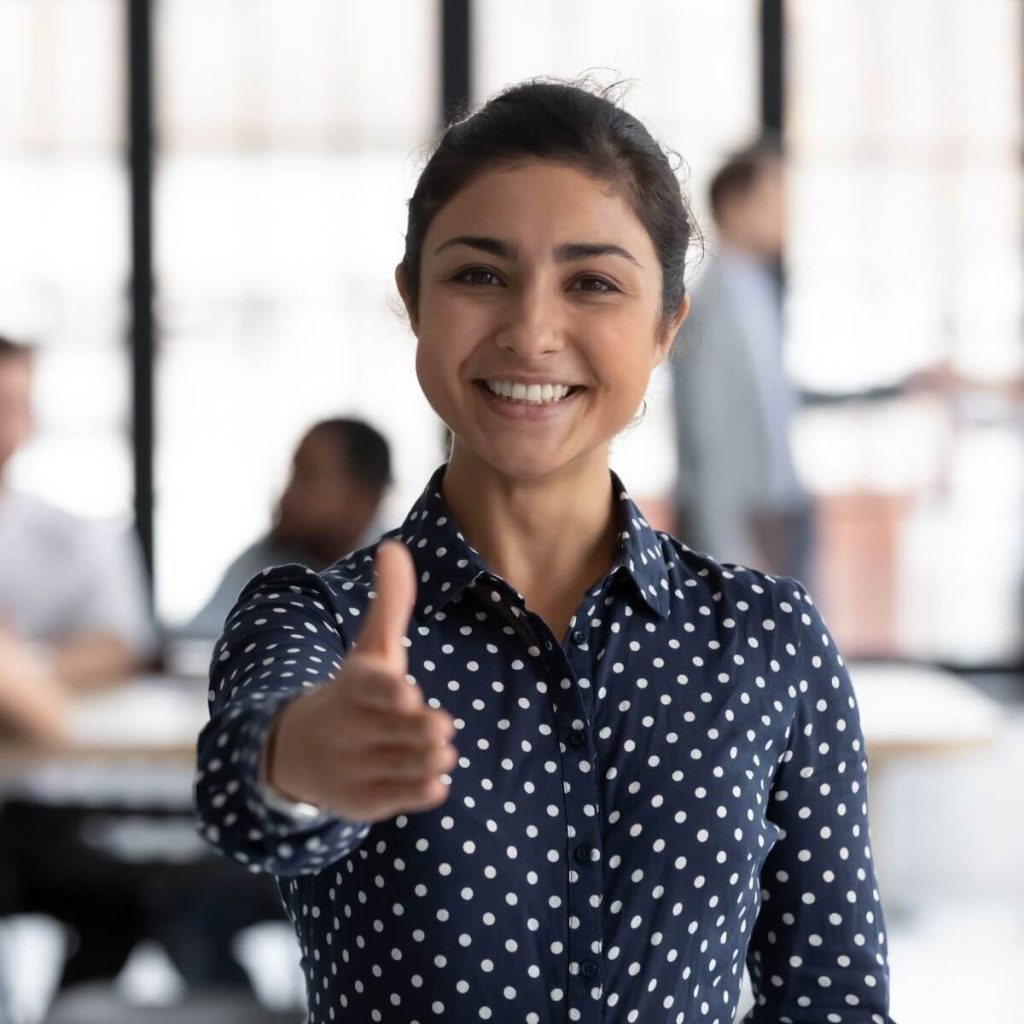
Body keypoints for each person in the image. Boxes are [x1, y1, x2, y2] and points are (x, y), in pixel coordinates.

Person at [196, 80, 895, 1023]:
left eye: (593, 282)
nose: (531, 332)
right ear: (413, 299)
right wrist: (300, 761)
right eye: (479, 274)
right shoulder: (316, 618)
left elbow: (834, 1000)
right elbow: (243, 794)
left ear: (666, 327)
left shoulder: (767, 638)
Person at [670, 140, 815, 585]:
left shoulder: (761, 289)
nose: (786, 215)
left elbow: (774, 398)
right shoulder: (704, 302)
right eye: (774, 200)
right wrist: (729, 554)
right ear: (735, 204)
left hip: (783, 507)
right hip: (737, 522)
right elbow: (706, 431)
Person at [0, 335, 156, 741]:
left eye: (9, 407)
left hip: (46, 767)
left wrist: (19, 670)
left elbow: (122, 646)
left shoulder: (82, 536)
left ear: (30, 417)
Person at [182, 417, 391, 638]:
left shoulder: (403, 577)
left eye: (306, 476)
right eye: (292, 474)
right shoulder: (265, 558)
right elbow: (194, 643)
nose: (286, 496)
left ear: (362, 497)